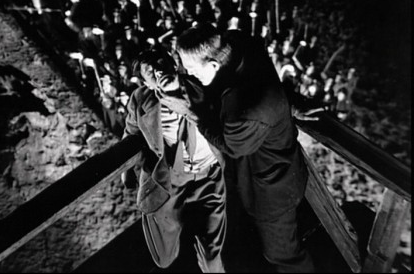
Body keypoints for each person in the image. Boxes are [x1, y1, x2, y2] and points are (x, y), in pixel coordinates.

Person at [175, 23, 315, 273]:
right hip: (277, 167)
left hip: (271, 193)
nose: (190, 76)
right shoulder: (240, 44)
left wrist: (193, 114)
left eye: (194, 72)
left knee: (283, 255)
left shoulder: (244, 110)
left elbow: (231, 146)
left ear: (214, 65)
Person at [121, 49, 227, 272]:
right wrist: (126, 173)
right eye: (150, 72)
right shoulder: (141, 99)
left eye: (161, 62)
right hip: (172, 176)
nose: (158, 70)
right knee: (164, 257)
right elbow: (130, 133)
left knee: (212, 254)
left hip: (209, 174)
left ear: (174, 63)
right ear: (146, 84)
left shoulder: (201, 85)